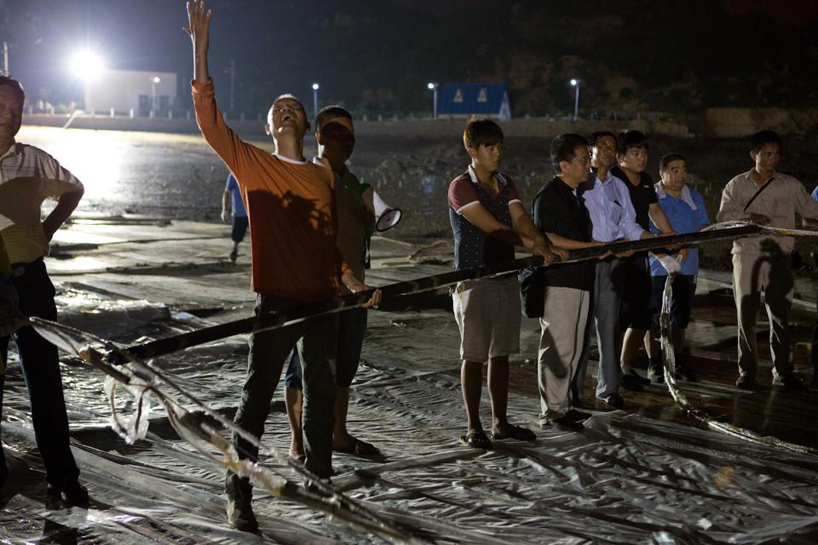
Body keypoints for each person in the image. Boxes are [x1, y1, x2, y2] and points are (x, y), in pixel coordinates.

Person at [185, 1, 380, 532]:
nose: (288, 109)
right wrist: (200, 49)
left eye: (295, 106)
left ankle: (321, 478)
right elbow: (207, 115)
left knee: (322, 389)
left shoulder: (322, 177)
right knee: (256, 397)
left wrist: (351, 280)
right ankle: (238, 489)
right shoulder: (251, 162)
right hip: (275, 297)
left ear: (305, 123)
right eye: (280, 107)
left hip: (322, 298)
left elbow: (326, 244)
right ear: (269, 124)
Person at [448, 117, 562, 449]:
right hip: (474, 278)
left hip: (505, 275)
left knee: (501, 354)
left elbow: (520, 217)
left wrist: (539, 239)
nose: (497, 152)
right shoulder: (461, 186)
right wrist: (534, 245)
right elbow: (491, 227)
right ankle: (473, 426)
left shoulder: (505, 182)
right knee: (473, 355)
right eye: (489, 147)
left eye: (499, 146)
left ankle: (500, 422)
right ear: (472, 150)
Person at [0, 75, 88, 504]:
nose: (9, 114)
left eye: (16, 107)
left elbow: (74, 190)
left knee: (45, 382)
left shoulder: (33, 160)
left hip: (32, 280)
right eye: (1, 104)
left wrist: (46, 229)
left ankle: (63, 475)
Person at [284, 106, 379, 461]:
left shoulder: (355, 184)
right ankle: (298, 442)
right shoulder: (308, 176)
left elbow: (359, 235)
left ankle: (338, 433)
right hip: (314, 291)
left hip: (355, 291)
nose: (345, 141)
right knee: (303, 370)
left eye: (350, 135)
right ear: (319, 136)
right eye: (337, 133)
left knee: (344, 368)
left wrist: (372, 220)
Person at [717, 130, 818, 391]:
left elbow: (811, 210)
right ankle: (747, 372)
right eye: (767, 153)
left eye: (777, 154)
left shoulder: (790, 184)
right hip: (746, 255)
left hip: (779, 256)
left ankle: (783, 371)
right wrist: (748, 217)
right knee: (746, 315)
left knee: (781, 316)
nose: (773, 158)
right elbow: (723, 218)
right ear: (754, 155)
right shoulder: (736, 185)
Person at [574, 131, 657, 410]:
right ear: (590, 150)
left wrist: (650, 239)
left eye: (613, 146)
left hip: (613, 263)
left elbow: (629, 224)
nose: (609, 150)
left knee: (609, 327)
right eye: (603, 145)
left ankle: (609, 388)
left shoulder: (617, 186)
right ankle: (574, 390)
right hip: (584, 263)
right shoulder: (579, 183)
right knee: (580, 329)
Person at [532, 134, 600, 432]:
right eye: (584, 160)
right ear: (564, 164)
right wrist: (591, 247)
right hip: (560, 281)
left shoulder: (574, 196)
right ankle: (551, 411)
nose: (590, 166)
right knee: (557, 346)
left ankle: (564, 405)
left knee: (572, 346)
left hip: (580, 279)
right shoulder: (549, 196)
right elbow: (545, 237)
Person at [610, 130, 676, 392]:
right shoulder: (613, 180)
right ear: (620, 157)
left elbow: (654, 210)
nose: (642, 158)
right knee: (618, 316)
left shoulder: (646, 180)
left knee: (641, 313)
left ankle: (625, 366)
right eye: (635, 153)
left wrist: (669, 236)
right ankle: (612, 370)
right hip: (617, 253)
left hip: (639, 251)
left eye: (644, 152)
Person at [644, 154, 709, 383]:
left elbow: (703, 226)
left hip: (687, 266)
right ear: (662, 174)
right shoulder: (650, 197)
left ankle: (678, 361)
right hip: (657, 267)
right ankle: (654, 363)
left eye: (683, 169)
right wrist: (664, 254)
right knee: (654, 318)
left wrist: (688, 246)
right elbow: (640, 230)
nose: (680, 175)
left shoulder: (694, 197)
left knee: (680, 319)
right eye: (674, 170)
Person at [221, 172, 248, 262]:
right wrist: (225, 209)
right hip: (240, 212)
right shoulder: (234, 174)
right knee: (237, 236)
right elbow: (227, 192)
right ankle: (234, 249)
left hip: (252, 212)